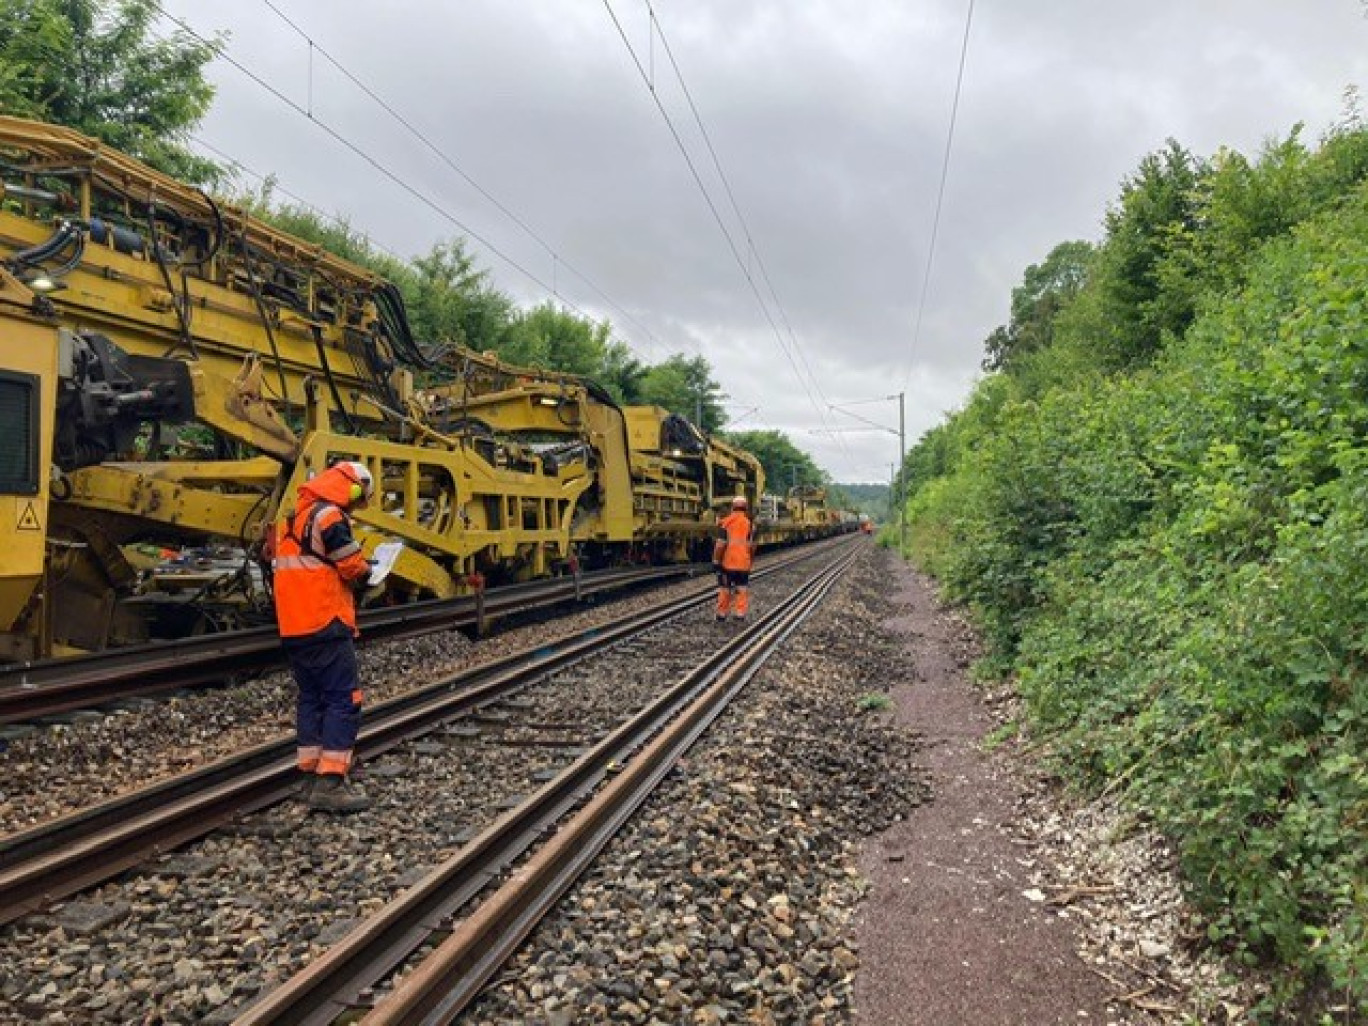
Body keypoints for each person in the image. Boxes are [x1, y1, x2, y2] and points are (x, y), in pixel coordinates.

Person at [272, 460, 377, 813]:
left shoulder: (290, 519)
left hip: (294, 627)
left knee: (312, 698)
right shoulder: (329, 517)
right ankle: (330, 781)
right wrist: (369, 574)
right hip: (325, 621)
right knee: (343, 699)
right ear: (351, 487)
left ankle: (309, 776)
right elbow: (350, 564)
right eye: (360, 496)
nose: (358, 504)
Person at [713, 495, 755, 621]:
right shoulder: (750, 525)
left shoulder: (726, 523)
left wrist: (716, 560)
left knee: (725, 588)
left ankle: (722, 614)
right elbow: (753, 546)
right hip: (743, 563)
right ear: (745, 508)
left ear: (732, 507)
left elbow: (720, 544)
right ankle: (740, 613)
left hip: (727, 563)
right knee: (742, 588)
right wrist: (749, 560)